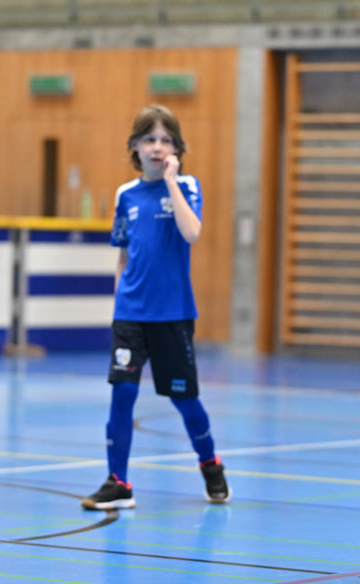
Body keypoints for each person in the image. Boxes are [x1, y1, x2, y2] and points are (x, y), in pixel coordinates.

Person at [80, 104, 231, 510]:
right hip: (130, 315)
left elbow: (192, 231)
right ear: (135, 146)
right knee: (122, 395)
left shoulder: (188, 185)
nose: (158, 147)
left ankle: (211, 464)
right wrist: (118, 305)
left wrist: (171, 183)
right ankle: (118, 482)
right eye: (150, 139)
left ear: (177, 148)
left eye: (166, 140)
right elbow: (123, 256)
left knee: (185, 400)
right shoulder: (125, 195)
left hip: (173, 315)